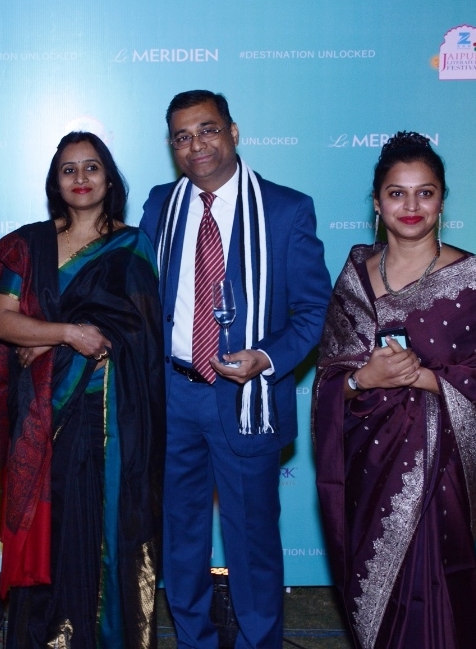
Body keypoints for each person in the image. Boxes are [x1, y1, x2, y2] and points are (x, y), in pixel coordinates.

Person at [139, 90, 332, 648]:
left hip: (246, 400)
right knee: (180, 540)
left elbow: (314, 311)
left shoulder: (286, 209)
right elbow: (140, 296)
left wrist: (267, 358)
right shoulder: (160, 205)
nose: (196, 144)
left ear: (234, 131)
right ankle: (194, 641)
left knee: (252, 544)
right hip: (173, 395)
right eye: (182, 136)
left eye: (208, 130)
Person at [312, 132, 476, 649]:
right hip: (366, 465)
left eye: (425, 192)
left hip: (438, 467)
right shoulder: (355, 274)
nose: (411, 205)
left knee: (438, 586)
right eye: (397, 193)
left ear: (442, 199)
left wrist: (421, 377)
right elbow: (332, 377)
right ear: (377, 203)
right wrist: (365, 379)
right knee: (375, 591)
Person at [0, 131, 165, 648]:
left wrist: (49, 338)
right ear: (54, 181)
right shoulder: (30, 243)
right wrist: (65, 334)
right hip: (44, 417)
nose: (81, 179)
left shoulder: (133, 246)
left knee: (105, 531)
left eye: (91, 168)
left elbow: (139, 334)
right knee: (52, 528)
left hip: (110, 417)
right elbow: (1, 322)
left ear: (109, 178)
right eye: (69, 169)